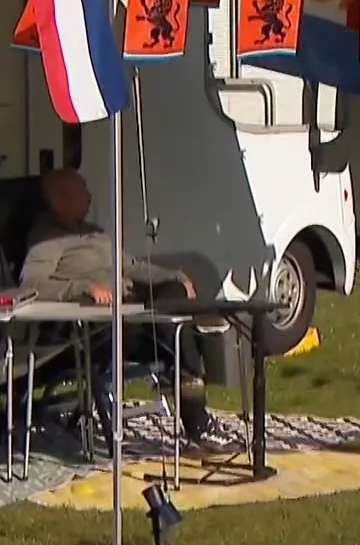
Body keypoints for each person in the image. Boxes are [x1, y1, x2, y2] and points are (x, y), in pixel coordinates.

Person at [19, 169, 240, 455]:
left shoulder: (94, 232)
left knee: (174, 298)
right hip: (96, 328)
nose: (89, 196)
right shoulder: (46, 240)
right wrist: (83, 287)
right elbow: (32, 284)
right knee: (174, 332)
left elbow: (132, 266)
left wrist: (174, 277)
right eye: (81, 191)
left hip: (130, 309)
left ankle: (190, 378)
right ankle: (198, 421)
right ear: (62, 199)